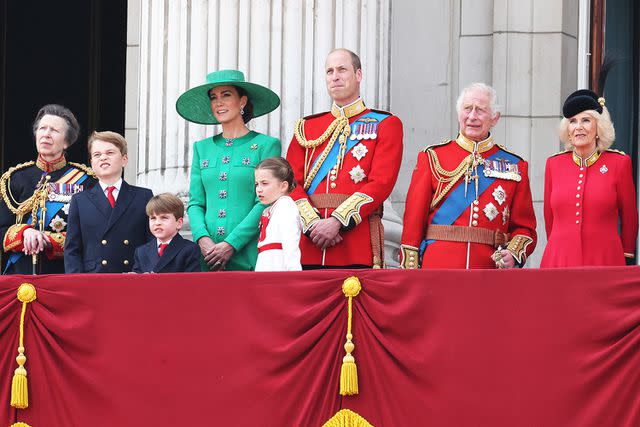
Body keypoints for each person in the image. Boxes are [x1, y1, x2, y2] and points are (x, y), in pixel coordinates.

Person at [285, 48, 403, 269]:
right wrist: (312, 224)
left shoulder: (385, 124)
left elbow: (381, 182)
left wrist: (338, 221)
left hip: (354, 243)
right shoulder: (307, 127)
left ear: (358, 75)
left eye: (342, 70)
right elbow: (290, 182)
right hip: (309, 244)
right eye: (329, 71)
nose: (335, 76)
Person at [400, 82, 537, 269]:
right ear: (459, 114)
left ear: (495, 118)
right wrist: (410, 271)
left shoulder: (515, 165)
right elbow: (413, 221)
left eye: (480, 110)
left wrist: (513, 253)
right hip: (437, 267)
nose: (472, 116)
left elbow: (525, 227)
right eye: (467, 109)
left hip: (488, 270)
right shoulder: (433, 157)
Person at [176, 69, 281, 271]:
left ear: (242, 101)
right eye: (214, 97)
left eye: (226, 95)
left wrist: (232, 243)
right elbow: (196, 203)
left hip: (250, 252)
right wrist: (202, 239)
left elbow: (265, 202)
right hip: (207, 256)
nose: (219, 102)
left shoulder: (266, 145)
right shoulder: (201, 148)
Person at [540, 90, 638, 267]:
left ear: (598, 127)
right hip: (559, 259)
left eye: (586, 120)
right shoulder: (554, 164)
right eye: (572, 121)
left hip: (605, 259)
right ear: (567, 129)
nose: (578, 127)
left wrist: (626, 256)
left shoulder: (619, 163)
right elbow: (549, 219)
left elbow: (629, 216)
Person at [0, 104, 96, 274]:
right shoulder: (15, 178)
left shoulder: (86, 181)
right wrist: (24, 232)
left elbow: (92, 234)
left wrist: (49, 240)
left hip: (63, 274)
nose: (46, 134)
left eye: (54, 130)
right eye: (42, 128)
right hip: (20, 274)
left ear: (67, 142)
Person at [64, 131, 153, 273]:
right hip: (93, 280)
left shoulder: (143, 196)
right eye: (97, 155)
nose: (103, 157)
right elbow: (72, 250)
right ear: (92, 163)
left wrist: (146, 273)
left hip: (133, 276)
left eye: (110, 152)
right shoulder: (80, 201)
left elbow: (152, 242)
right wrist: (77, 283)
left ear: (124, 159)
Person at [254, 157, 302, 271]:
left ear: (283, 186)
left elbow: (291, 246)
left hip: (279, 273)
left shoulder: (286, 206)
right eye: (257, 184)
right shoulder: (269, 210)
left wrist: (294, 277)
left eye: (264, 183)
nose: (259, 189)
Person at [132, 193, 200, 273]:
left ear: (179, 223)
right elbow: (136, 281)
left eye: (164, 218)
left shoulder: (190, 249)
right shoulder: (141, 251)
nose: (157, 223)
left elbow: (191, 282)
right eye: (153, 218)